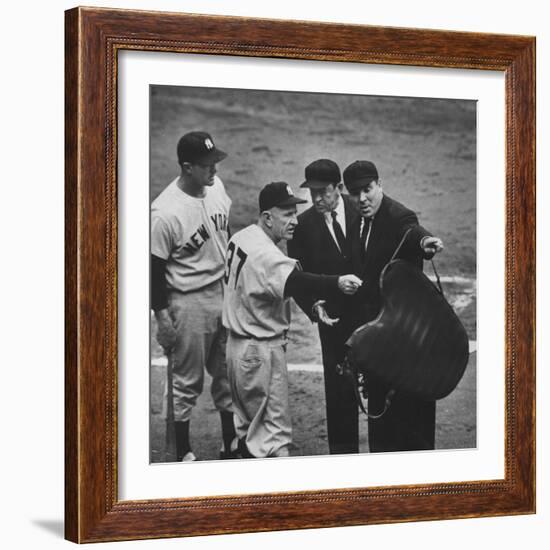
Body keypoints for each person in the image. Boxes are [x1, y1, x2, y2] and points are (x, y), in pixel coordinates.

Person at [222, 181, 362, 458]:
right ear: (267, 217)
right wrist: (337, 282)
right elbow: (299, 281)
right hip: (260, 353)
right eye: (286, 213)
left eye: (295, 212)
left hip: (236, 351)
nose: (294, 221)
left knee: (250, 432)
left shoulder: (243, 236)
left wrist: (313, 307)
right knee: (274, 441)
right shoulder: (268, 255)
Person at [343, 160, 444, 452]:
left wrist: (425, 242)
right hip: (379, 344)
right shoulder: (358, 217)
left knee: (411, 425)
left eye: (367, 189)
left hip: (407, 346)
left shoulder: (398, 215)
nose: (361, 198)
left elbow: (413, 232)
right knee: (382, 428)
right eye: (355, 193)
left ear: (379, 185)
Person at [151, 131, 237, 462]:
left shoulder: (216, 187)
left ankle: (230, 441)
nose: (214, 170)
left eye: (215, 162)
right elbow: (152, 270)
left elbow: (224, 234)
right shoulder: (164, 213)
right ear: (187, 168)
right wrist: (163, 319)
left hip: (222, 291)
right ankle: (183, 451)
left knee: (227, 372)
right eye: (206, 165)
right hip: (187, 301)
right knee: (186, 381)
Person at [287, 159, 361, 455]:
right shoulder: (302, 226)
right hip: (333, 321)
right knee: (339, 393)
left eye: (323, 191)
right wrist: (313, 306)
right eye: (312, 191)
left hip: (372, 317)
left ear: (339, 188)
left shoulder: (362, 210)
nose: (316, 198)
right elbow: (299, 277)